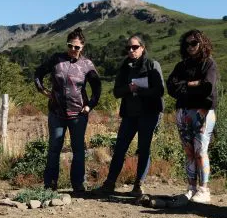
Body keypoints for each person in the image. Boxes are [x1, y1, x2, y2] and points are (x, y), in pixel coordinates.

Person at [34, 27, 101, 192]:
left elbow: (97, 87)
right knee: (54, 148)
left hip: (78, 114)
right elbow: (38, 73)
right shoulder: (56, 59)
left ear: (82, 47)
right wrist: (43, 91)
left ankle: (78, 185)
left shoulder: (87, 64)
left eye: (76, 47)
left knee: (78, 150)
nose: (73, 49)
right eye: (70, 46)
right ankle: (50, 184)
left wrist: (90, 105)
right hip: (56, 113)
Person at [96, 35, 162, 196]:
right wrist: (128, 89)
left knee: (144, 149)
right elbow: (116, 92)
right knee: (119, 149)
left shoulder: (152, 65)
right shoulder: (125, 67)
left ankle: (139, 185)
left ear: (142, 48)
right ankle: (109, 183)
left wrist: (139, 90)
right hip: (129, 115)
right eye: (128, 48)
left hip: (149, 114)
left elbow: (160, 91)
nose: (131, 50)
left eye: (134, 47)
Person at [166, 30, 219, 203]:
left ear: (202, 43)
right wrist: (194, 84)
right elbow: (172, 88)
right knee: (189, 151)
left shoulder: (209, 64)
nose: (190, 47)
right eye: (187, 44)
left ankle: (204, 189)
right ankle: (191, 187)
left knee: (200, 151)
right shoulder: (181, 66)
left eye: (194, 43)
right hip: (183, 111)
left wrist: (185, 85)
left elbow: (207, 87)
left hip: (202, 112)